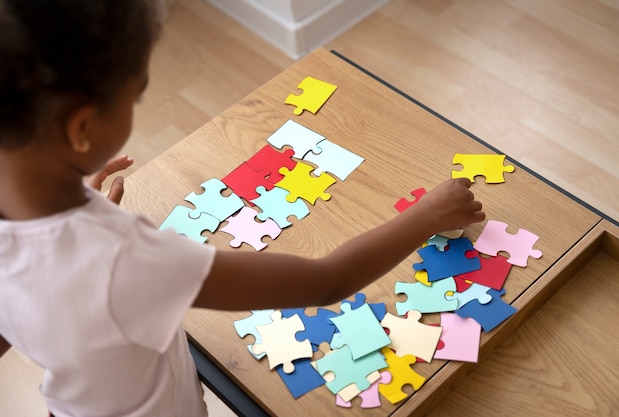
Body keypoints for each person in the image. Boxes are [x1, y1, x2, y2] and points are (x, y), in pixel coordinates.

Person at [0, 1, 486, 416]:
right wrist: (428, 215)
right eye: (137, 94)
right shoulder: (124, 259)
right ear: (82, 127)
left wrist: (72, 212)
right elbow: (327, 281)